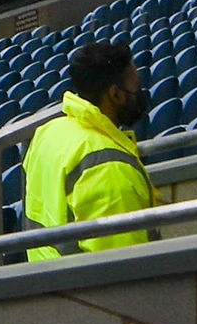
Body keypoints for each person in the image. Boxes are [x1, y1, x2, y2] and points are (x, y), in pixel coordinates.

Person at [22, 40, 154, 258]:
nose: (139, 92)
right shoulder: (110, 169)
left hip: (47, 280)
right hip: (77, 288)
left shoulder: (48, 132)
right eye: (135, 85)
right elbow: (123, 268)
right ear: (115, 94)